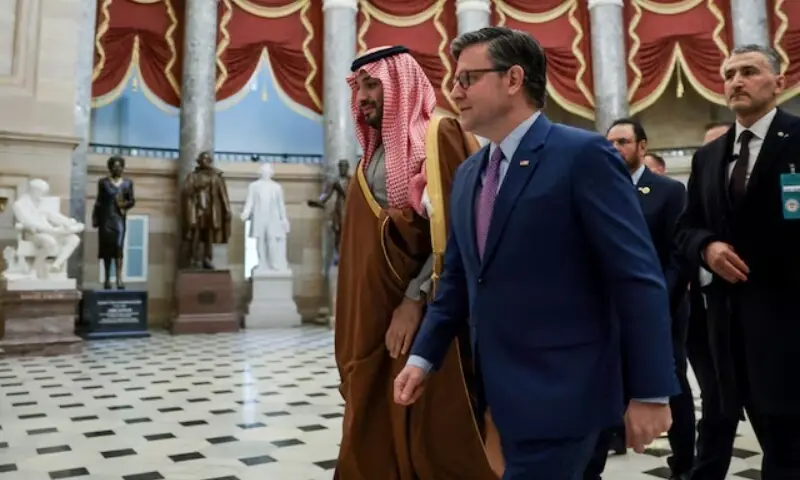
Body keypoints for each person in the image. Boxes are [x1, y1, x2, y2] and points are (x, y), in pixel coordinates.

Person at [394, 27, 677, 479]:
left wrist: (652, 391)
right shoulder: (469, 175)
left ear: (513, 79)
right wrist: (422, 358)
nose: (455, 91)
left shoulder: (582, 155)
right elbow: (461, 280)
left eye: (469, 78)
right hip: (500, 393)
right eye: (455, 79)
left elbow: (636, 276)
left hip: (567, 391)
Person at [334, 45, 499, 479]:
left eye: (373, 85)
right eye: (359, 87)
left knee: (432, 428)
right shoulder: (371, 156)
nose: (363, 96)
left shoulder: (437, 134)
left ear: (400, 84)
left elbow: (459, 231)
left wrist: (413, 301)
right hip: (373, 315)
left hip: (424, 313)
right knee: (375, 417)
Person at [675, 44, 800, 478]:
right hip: (728, 330)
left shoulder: (798, 138)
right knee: (749, 424)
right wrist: (707, 246)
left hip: (789, 324)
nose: (736, 82)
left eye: (749, 71)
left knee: (790, 447)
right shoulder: (708, 156)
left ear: (779, 82)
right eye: (729, 74)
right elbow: (686, 227)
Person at [585, 119, 692, 480]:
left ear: (642, 147)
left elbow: (677, 256)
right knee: (605, 383)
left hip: (660, 310)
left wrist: (658, 303)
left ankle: (685, 462)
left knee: (669, 383)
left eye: (623, 142)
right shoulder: (597, 191)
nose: (615, 148)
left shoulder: (668, 191)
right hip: (607, 313)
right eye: (610, 142)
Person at [684, 122, 740, 480]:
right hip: (701, 315)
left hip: (751, 313)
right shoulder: (698, 191)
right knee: (716, 400)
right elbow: (683, 234)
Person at [180, 151, 232, 269]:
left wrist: (227, 210)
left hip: (212, 209)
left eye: (208, 160)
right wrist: (196, 187)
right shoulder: (193, 176)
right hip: (197, 209)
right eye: (204, 159)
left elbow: (223, 195)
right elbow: (186, 191)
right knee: (196, 234)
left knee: (209, 235)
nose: (206, 162)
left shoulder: (216, 176)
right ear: (200, 161)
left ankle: (207, 259)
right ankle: (193, 259)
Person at [92, 156, 135, 289]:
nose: (117, 168)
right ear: (110, 168)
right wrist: (95, 217)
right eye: (114, 166)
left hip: (119, 218)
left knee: (118, 247)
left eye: (120, 166)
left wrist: (124, 204)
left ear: (123, 167)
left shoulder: (128, 183)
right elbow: (99, 201)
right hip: (106, 218)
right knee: (106, 248)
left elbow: (132, 200)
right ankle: (106, 279)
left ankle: (119, 278)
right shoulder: (103, 182)